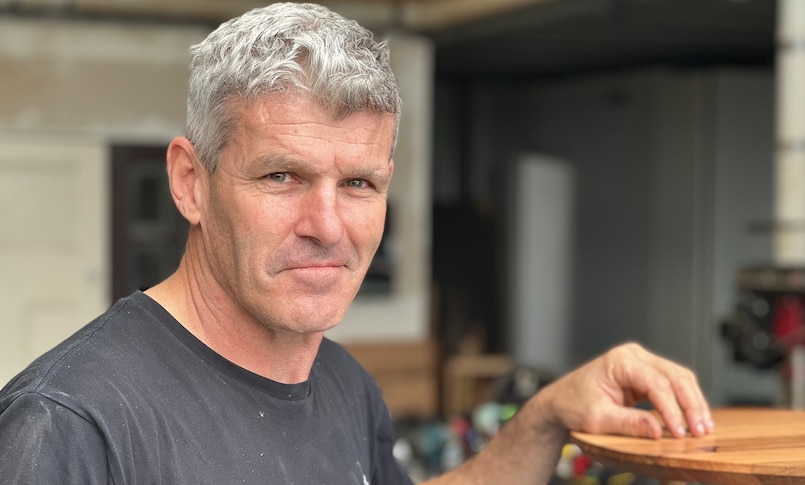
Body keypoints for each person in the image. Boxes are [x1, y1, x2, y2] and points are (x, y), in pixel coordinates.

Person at [0, 2, 713, 483]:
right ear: (191, 182)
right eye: (282, 176)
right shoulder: (71, 425)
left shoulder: (341, 384)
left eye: (360, 184)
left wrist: (546, 415)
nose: (328, 224)